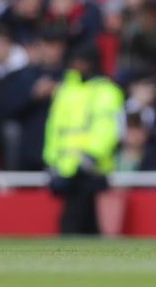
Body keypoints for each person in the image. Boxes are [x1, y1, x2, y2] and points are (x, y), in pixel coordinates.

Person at [44, 44, 125, 234]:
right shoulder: (65, 90)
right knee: (87, 225)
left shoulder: (106, 91)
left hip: (91, 168)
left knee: (72, 223)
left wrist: (90, 157)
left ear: (91, 63)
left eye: (79, 61)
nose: (75, 65)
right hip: (65, 167)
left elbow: (108, 128)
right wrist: (51, 161)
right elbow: (54, 129)